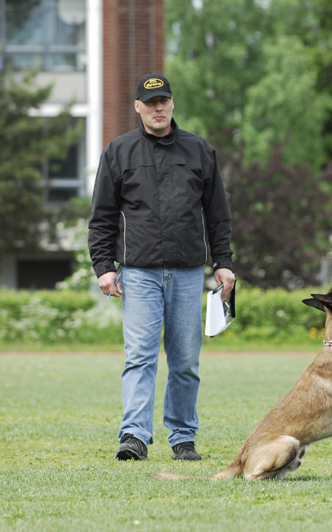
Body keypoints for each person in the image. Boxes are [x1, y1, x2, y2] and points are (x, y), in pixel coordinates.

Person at [88, 73, 235, 462]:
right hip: (138, 272)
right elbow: (101, 216)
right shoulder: (118, 152)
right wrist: (104, 266)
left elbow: (218, 216)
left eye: (163, 101)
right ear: (137, 107)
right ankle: (134, 436)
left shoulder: (200, 150)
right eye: (150, 103)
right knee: (140, 355)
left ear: (172, 104)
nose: (158, 108)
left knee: (186, 359)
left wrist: (224, 264)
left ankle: (182, 437)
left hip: (188, 272)